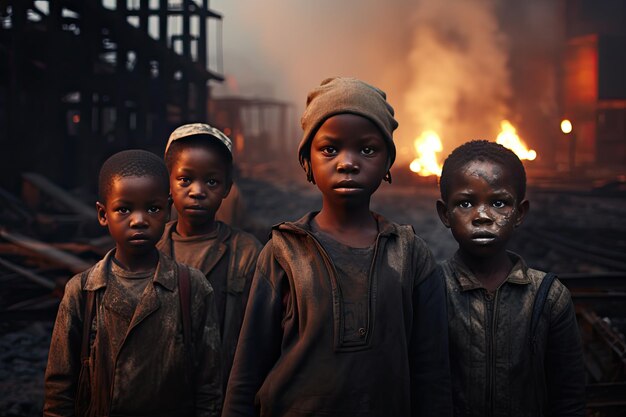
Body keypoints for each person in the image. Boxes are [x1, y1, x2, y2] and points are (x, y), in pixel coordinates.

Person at [222, 77, 451, 417]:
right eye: (329, 149)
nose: (347, 162)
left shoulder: (410, 254)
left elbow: (432, 374)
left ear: (388, 163)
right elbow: (247, 370)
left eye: (367, 149)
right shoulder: (283, 252)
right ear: (306, 162)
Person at [44, 149, 222, 417]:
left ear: (168, 210)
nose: (139, 220)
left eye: (152, 208)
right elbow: (59, 389)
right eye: (124, 209)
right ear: (103, 214)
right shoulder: (82, 291)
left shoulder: (191, 286)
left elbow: (209, 385)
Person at [435, 140, 586, 417]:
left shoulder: (549, 297)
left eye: (499, 203)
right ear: (445, 214)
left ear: (520, 213)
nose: (482, 216)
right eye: (466, 203)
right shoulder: (430, 290)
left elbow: (569, 397)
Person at [157, 123, 262, 390]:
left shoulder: (246, 252)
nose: (197, 191)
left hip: (222, 389)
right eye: (185, 179)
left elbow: (260, 333)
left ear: (227, 188)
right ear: (167, 183)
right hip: (160, 391)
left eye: (212, 181)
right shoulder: (151, 247)